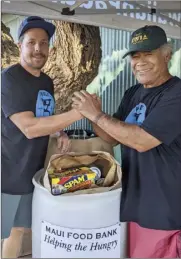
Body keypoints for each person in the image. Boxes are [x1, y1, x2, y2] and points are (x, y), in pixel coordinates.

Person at [72, 25, 181, 258]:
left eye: (148, 54)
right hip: (136, 203)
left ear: (167, 54)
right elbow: (111, 138)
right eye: (135, 55)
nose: (140, 61)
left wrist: (96, 115)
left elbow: (142, 141)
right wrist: (94, 115)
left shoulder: (176, 94)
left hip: (165, 209)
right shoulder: (133, 92)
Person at [1, 16, 82, 257]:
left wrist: (59, 131)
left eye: (44, 43)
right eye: (32, 42)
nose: (38, 49)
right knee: (9, 233)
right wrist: (78, 113)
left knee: (21, 230)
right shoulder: (9, 80)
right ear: (20, 45)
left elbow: (42, 116)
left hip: (33, 170)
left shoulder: (46, 81)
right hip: (8, 172)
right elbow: (30, 127)